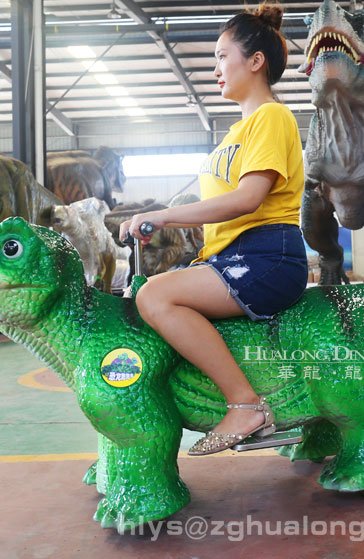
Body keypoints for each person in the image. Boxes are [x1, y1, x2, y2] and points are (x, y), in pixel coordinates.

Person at [119, 2, 308, 456]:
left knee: (155, 295)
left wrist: (162, 214)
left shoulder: (271, 117)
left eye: (223, 55)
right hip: (231, 257)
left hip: (267, 256)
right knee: (147, 290)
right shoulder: (233, 134)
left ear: (255, 61)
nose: (216, 67)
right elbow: (216, 208)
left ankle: (245, 404)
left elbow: (247, 200)